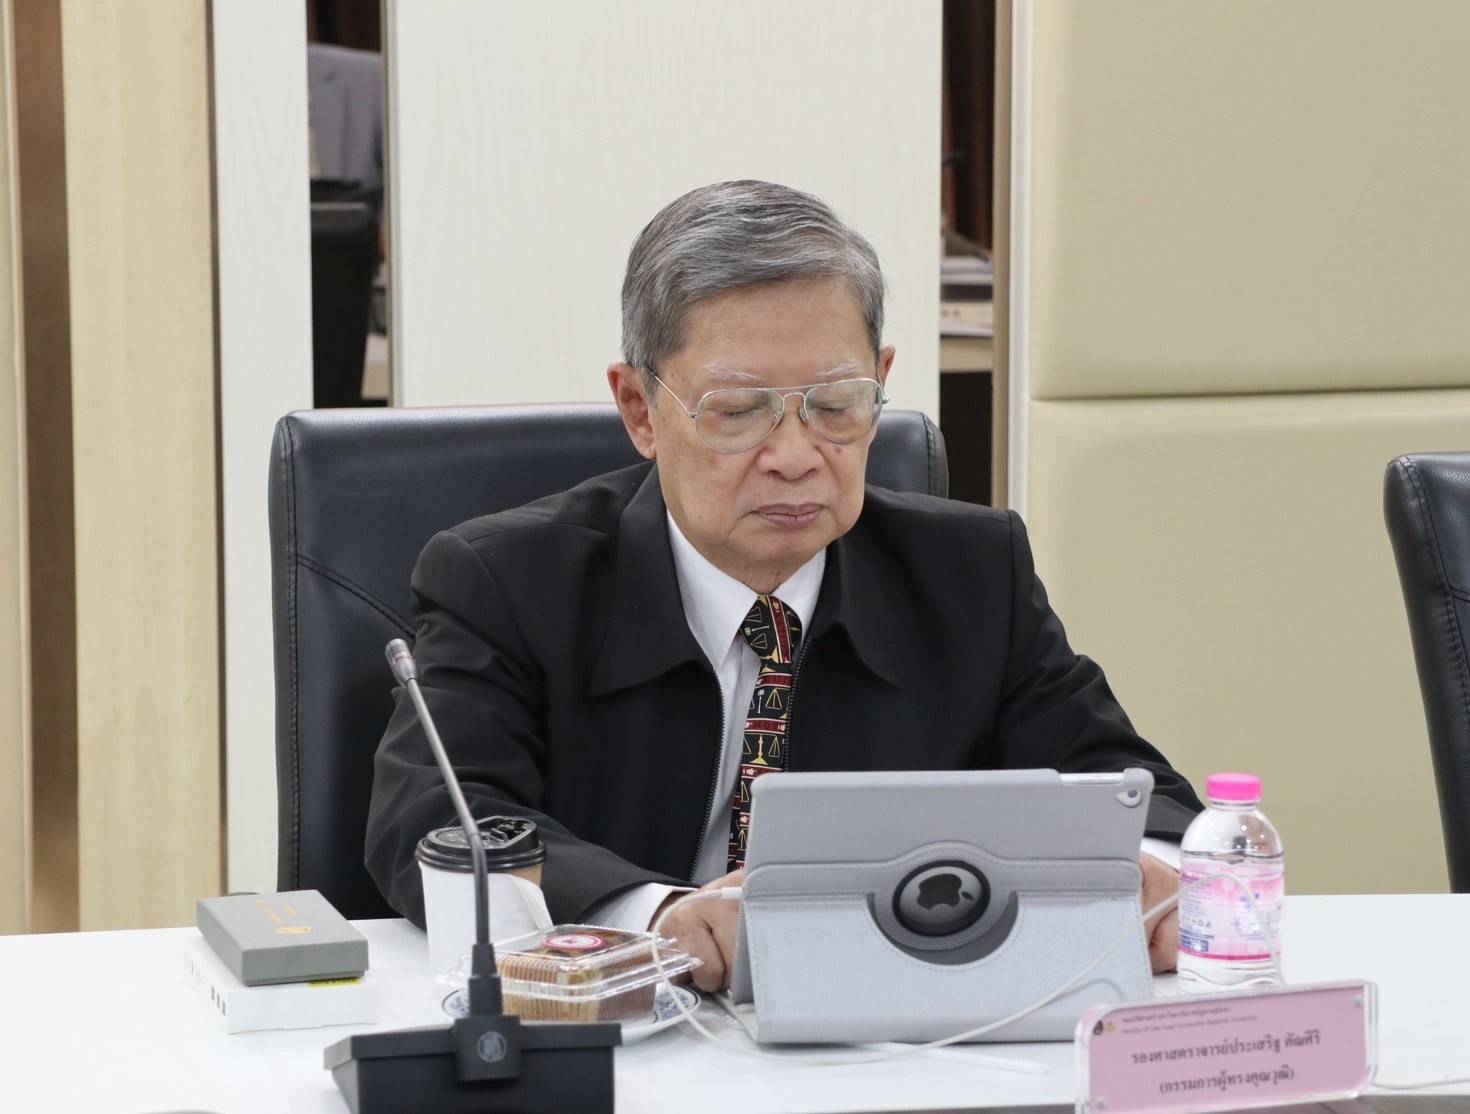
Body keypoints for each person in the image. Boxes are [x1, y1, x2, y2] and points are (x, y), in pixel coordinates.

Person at [365, 180, 1203, 990]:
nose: (797, 456)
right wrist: (654, 916)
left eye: (836, 404)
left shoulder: (971, 573)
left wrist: (1146, 871)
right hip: (629, 1027)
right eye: (738, 411)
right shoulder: (507, 581)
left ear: (881, 380)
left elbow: (1135, 794)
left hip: (899, 1028)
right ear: (641, 410)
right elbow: (439, 818)